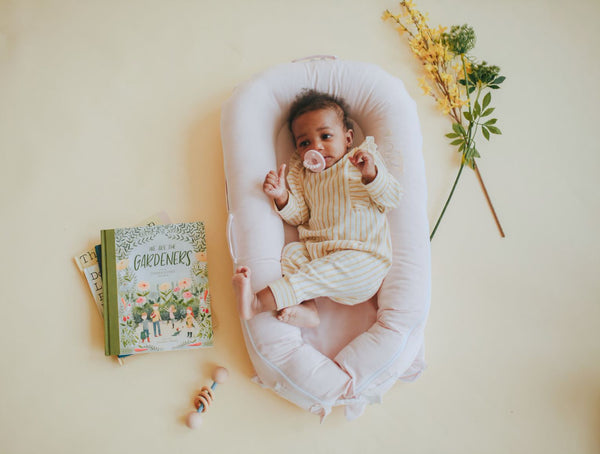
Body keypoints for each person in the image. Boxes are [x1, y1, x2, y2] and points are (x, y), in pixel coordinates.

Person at [232, 89, 402, 328]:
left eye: (326, 136)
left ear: (348, 138)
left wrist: (372, 174)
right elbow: (300, 216)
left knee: (315, 273)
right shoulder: (304, 176)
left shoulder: (362, 161)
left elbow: (391, 198)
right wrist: (282, 196)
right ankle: (309, 309)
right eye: (304, 143)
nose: (317, 147)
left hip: (363, 261)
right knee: (291, 255)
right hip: (320, 254)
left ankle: (257, 303)